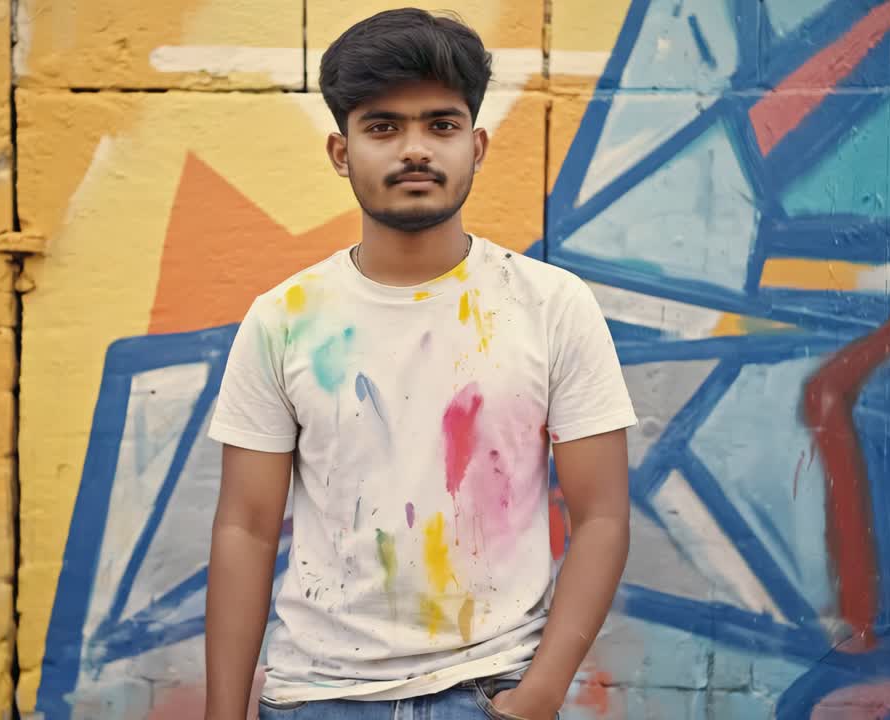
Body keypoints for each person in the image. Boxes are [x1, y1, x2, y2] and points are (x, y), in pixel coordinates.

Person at [204, 8, 636, 719]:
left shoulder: (549, 305)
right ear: (341, 153)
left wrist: (540, 696)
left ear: (478, 145)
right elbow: (245, 528)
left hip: (492, 689)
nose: (415, 149)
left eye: (441, 125)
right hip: (318, 698)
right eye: (383, 127)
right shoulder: (283, 319)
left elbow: (602, 517)